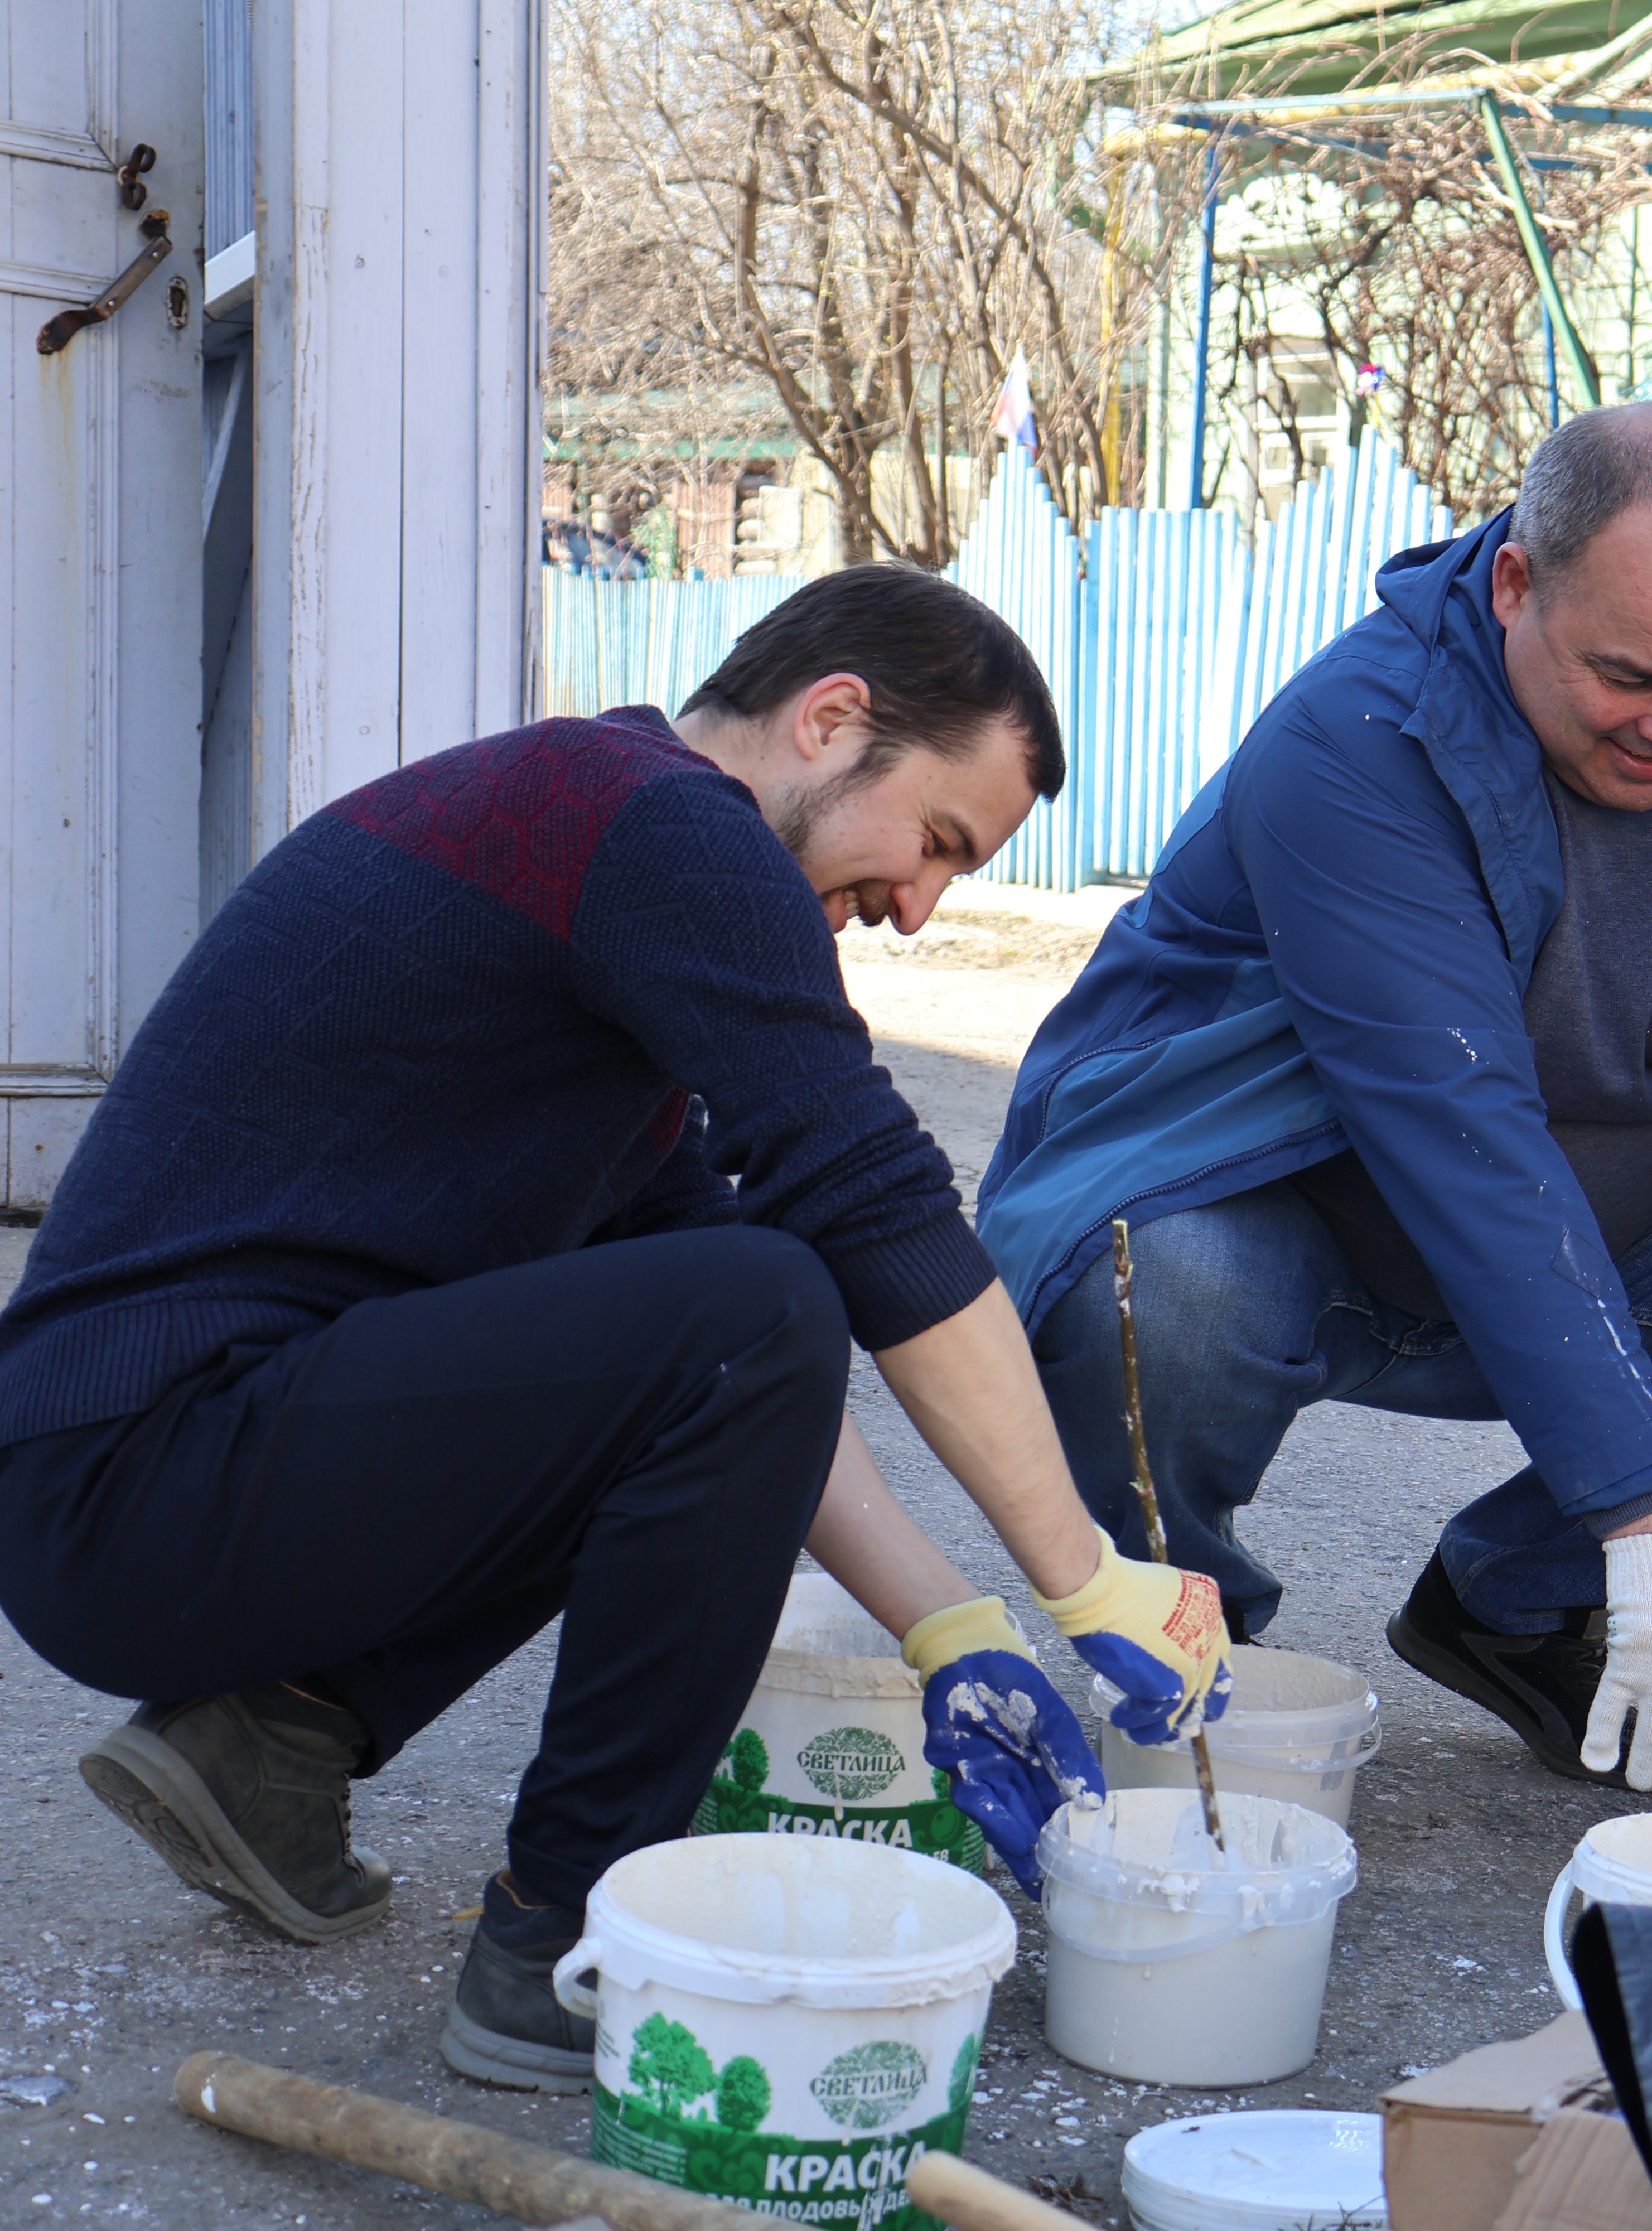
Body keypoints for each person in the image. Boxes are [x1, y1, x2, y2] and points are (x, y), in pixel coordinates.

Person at [0, 567, 1228, 2090]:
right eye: (934, 841)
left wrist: (952, 1631)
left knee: (726, 1313)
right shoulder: (656, 820)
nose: (918, 909)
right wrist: (1084, 1573)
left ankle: (273, 1740)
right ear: (830, 718)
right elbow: (861, 1203)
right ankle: (567, 1940)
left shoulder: (599, 864)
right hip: (135, 1475)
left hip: (140, 1481)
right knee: (760, 1300)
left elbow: (731, 1375)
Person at [974, 401, 1652, 1805]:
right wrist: (1651, 1517)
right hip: (1292, 1227)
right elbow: (1463, 1142)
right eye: (1628, 676)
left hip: (1606, 1250)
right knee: (1151, 1282)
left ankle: (1518, 1604)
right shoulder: (1357, 744)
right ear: (1516, 584)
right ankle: (1191, 1656)